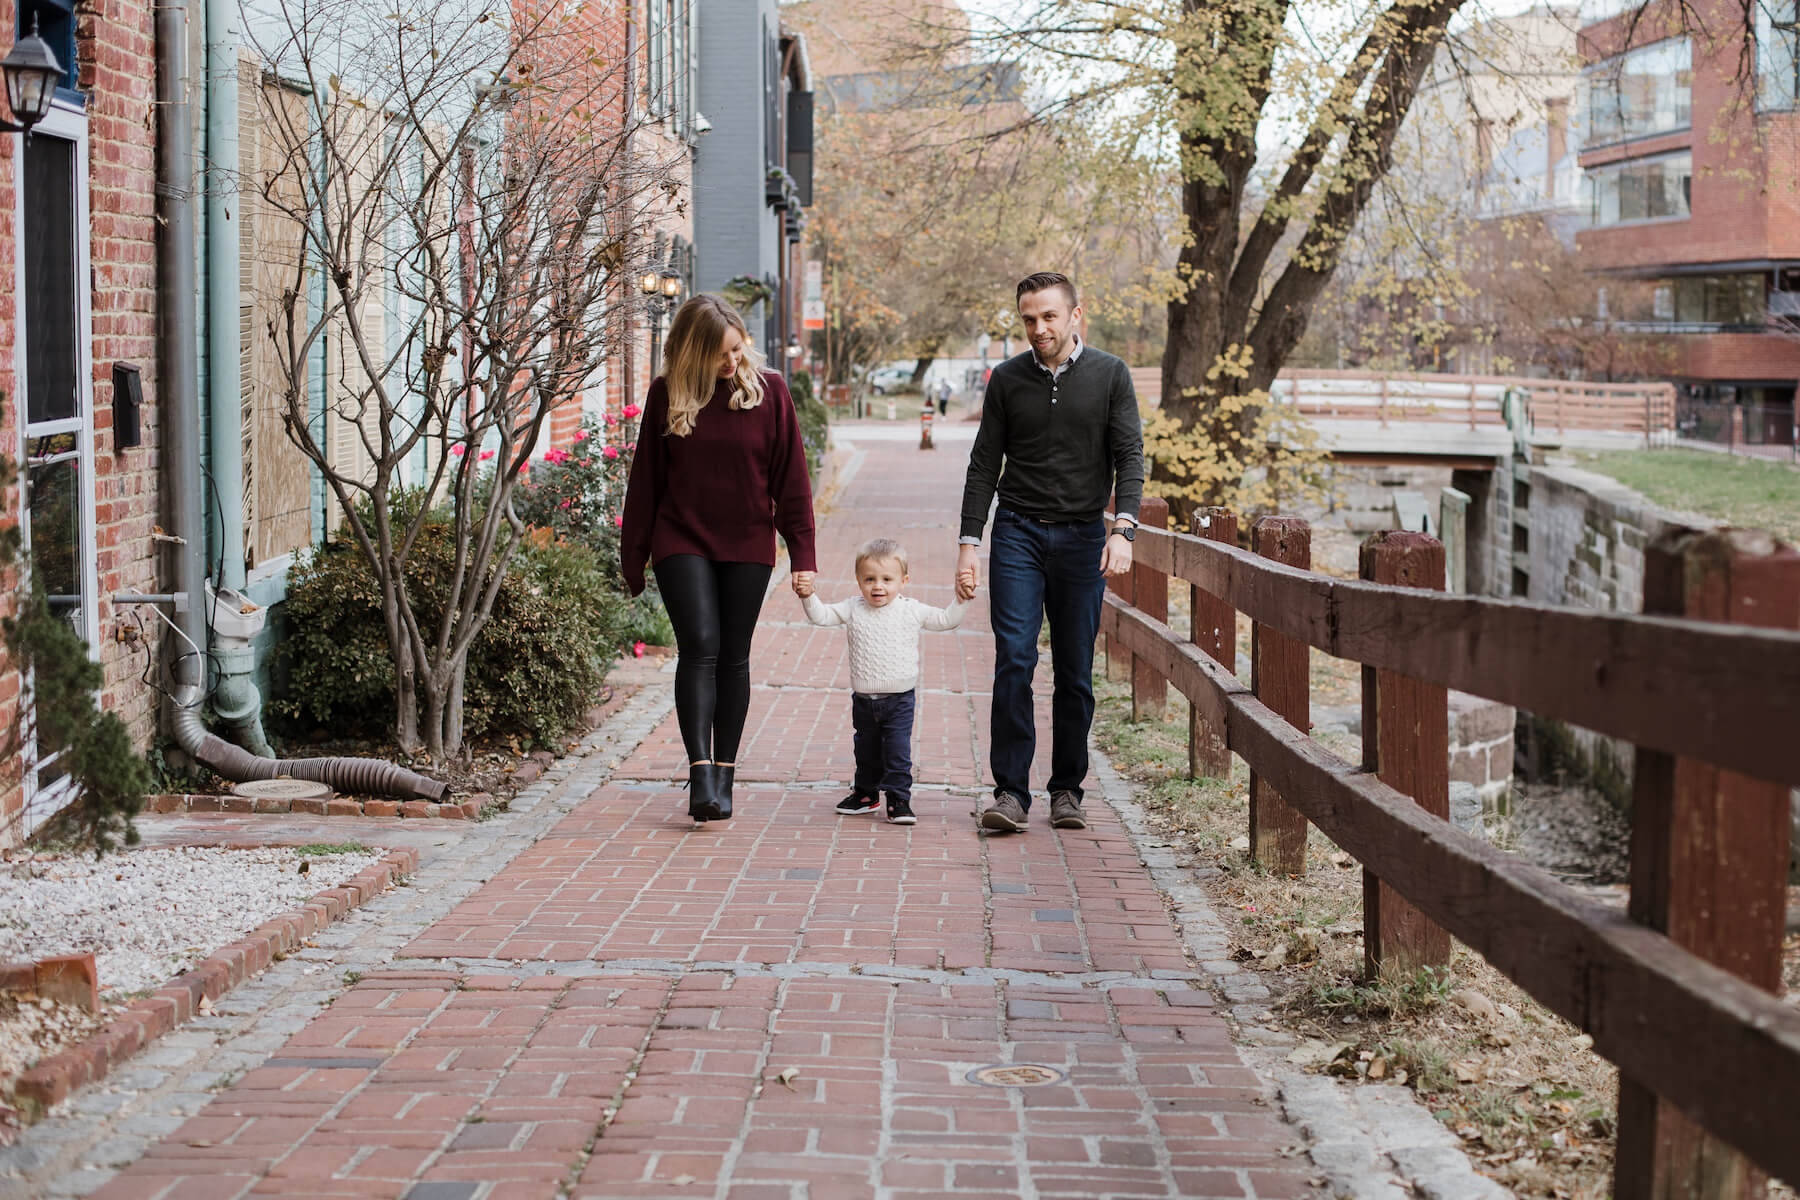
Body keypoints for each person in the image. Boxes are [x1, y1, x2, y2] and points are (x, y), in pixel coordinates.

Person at [954, 271, 1144, 833]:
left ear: (1075, 314)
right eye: (1029, 319)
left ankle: (1067, 790)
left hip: (1085, 536)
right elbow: (984, 463)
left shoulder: (1110, 375)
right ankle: (1010, 793)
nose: (1039, 328)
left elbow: (1129, 455)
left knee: (1074, 669)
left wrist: (1123, 529)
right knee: (1014, 658)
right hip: (1018, 533)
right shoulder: (1007, 379)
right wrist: (969, 544)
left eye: (1049, 316)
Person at [621, 294, 818, 824]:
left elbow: (792, 481)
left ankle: (725, 772)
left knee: (734, 654)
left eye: (736, 349)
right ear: (692, 353)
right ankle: (701, 771)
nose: (732, 363)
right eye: (720, 355)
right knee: (700, 644)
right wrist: (633, 556)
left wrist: (802, 552)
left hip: (748, 542)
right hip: (682, 537)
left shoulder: (770, 391)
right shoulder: (667, 394)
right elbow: (646, 483)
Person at [794, 538, 966, 826]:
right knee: (866, 750)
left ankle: (899, 799)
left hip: (899, 700)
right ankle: (866, 794)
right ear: (858, 580)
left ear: (903, 581)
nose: (878, 586)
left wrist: (961, 599)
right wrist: (807, 595)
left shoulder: (911, 609)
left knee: (897, 751)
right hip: (864, 700)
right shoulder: (852, 608)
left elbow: (945, 619)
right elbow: (821, 616)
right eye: (870, 579)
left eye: (887, 579)